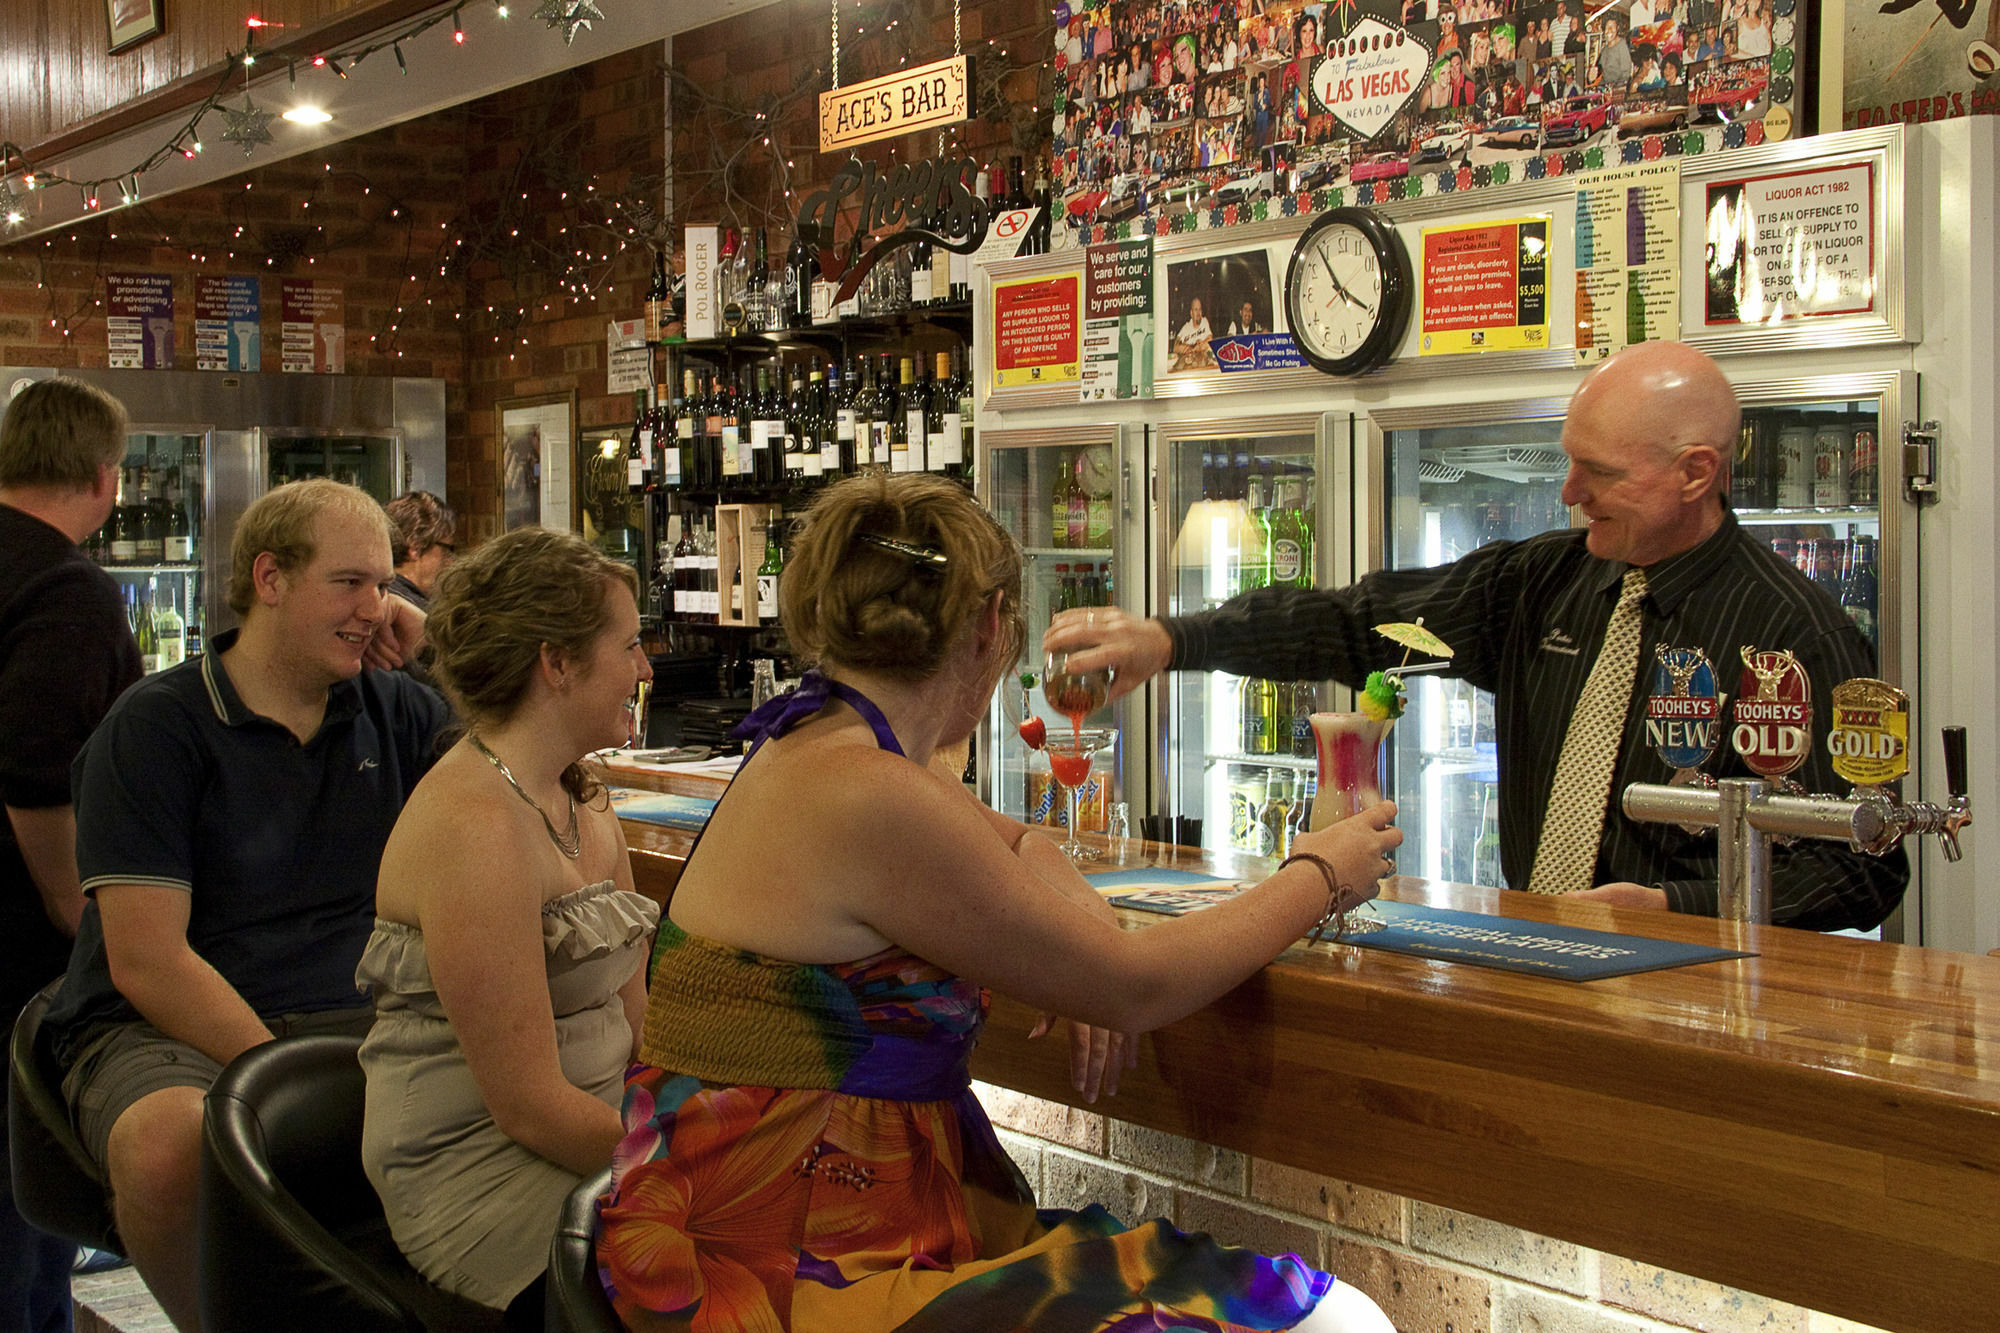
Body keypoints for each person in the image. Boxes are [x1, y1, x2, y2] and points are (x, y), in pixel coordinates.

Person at [594, 473, 1401, 1332]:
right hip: (778, 1265)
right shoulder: (869, 790)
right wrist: (1318, 873)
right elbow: (1139, 987)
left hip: (812, 1218)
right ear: (987, 628)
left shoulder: (827, 740)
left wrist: (1079, 938)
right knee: (1333, 1321)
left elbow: (1024, 843)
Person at [1045, 342, 1907, 933]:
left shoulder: (1797, 635)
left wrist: (1678, 906)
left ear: (1696, 473)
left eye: (1599, 472)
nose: (1569, 492)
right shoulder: (1540, 583)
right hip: (1537, 964)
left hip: (1703, 1010)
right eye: (1568, 460)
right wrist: (1170, 641)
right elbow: (1360, 622)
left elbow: (1869, 869)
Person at [40, 478, 452, 1329]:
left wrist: (435, 642)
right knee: (168, 1149)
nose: (376, 607)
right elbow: (149, 960)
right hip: (159, 1025)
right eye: (350, 582)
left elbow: (524, 769)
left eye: (385, 584)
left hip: (356, 1012)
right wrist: (292, 1082)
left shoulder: (399, 709)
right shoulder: (155, 725)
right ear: (269, 578)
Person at [358, 527, 657, 1320]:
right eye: (628, 646)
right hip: (482, 1173)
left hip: (588, 1147)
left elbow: (638, 1027)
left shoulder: (583, 797)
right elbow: (525, 1104)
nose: (645, 669)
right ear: (555, 662)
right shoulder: (472, 825)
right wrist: (675, 1163)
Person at [0, 380, 143, 1333]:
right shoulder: (65, 587)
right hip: (10, 952)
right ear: (103, 476)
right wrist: (74, 904)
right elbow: (35, 770)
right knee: (17, 1237)